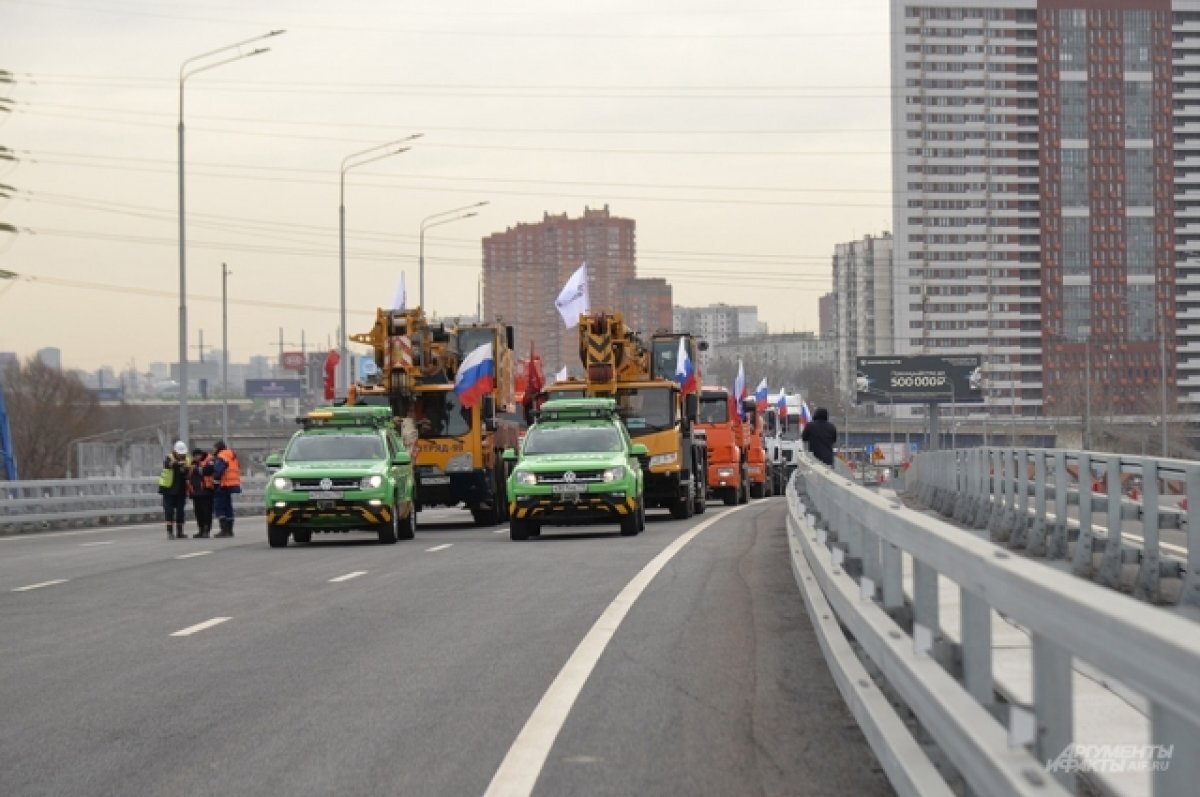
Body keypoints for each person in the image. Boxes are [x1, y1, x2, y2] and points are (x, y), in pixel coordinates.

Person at [158, 441, 191, 540]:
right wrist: (178, 464)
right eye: (180, 453)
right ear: (175, 452)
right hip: (168, 489)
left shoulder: (187, 460)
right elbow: (168, 464)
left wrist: (185, 469)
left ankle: (180, 532)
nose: (181, 455)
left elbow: (188, 471)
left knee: (180, 511)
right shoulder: (169, 458)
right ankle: (170, 532)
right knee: (169, 511)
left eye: (183, 454)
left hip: (181, 489)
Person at [211, 439, 242, 538]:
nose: (213, 450)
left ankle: (224, 530)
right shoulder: (231, 455)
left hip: (223, 484)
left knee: (219, 507)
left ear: (218, 448)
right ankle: (230, 530)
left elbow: (218, 470)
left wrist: (215, 480)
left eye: (214, 448)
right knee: (228, 507)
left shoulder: (221, 456)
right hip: (232, 484)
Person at [187, 448, 215, 539]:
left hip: (206, 491)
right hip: (196, 492)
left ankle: (206, 530)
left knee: (206, 512)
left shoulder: (209, 460)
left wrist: (197, 469)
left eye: (198, 455)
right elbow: (189, 476)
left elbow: (207, 471)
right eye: (195, 456)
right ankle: (201, 529)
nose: (196, 457)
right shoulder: (192, 463)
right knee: (198, 512)